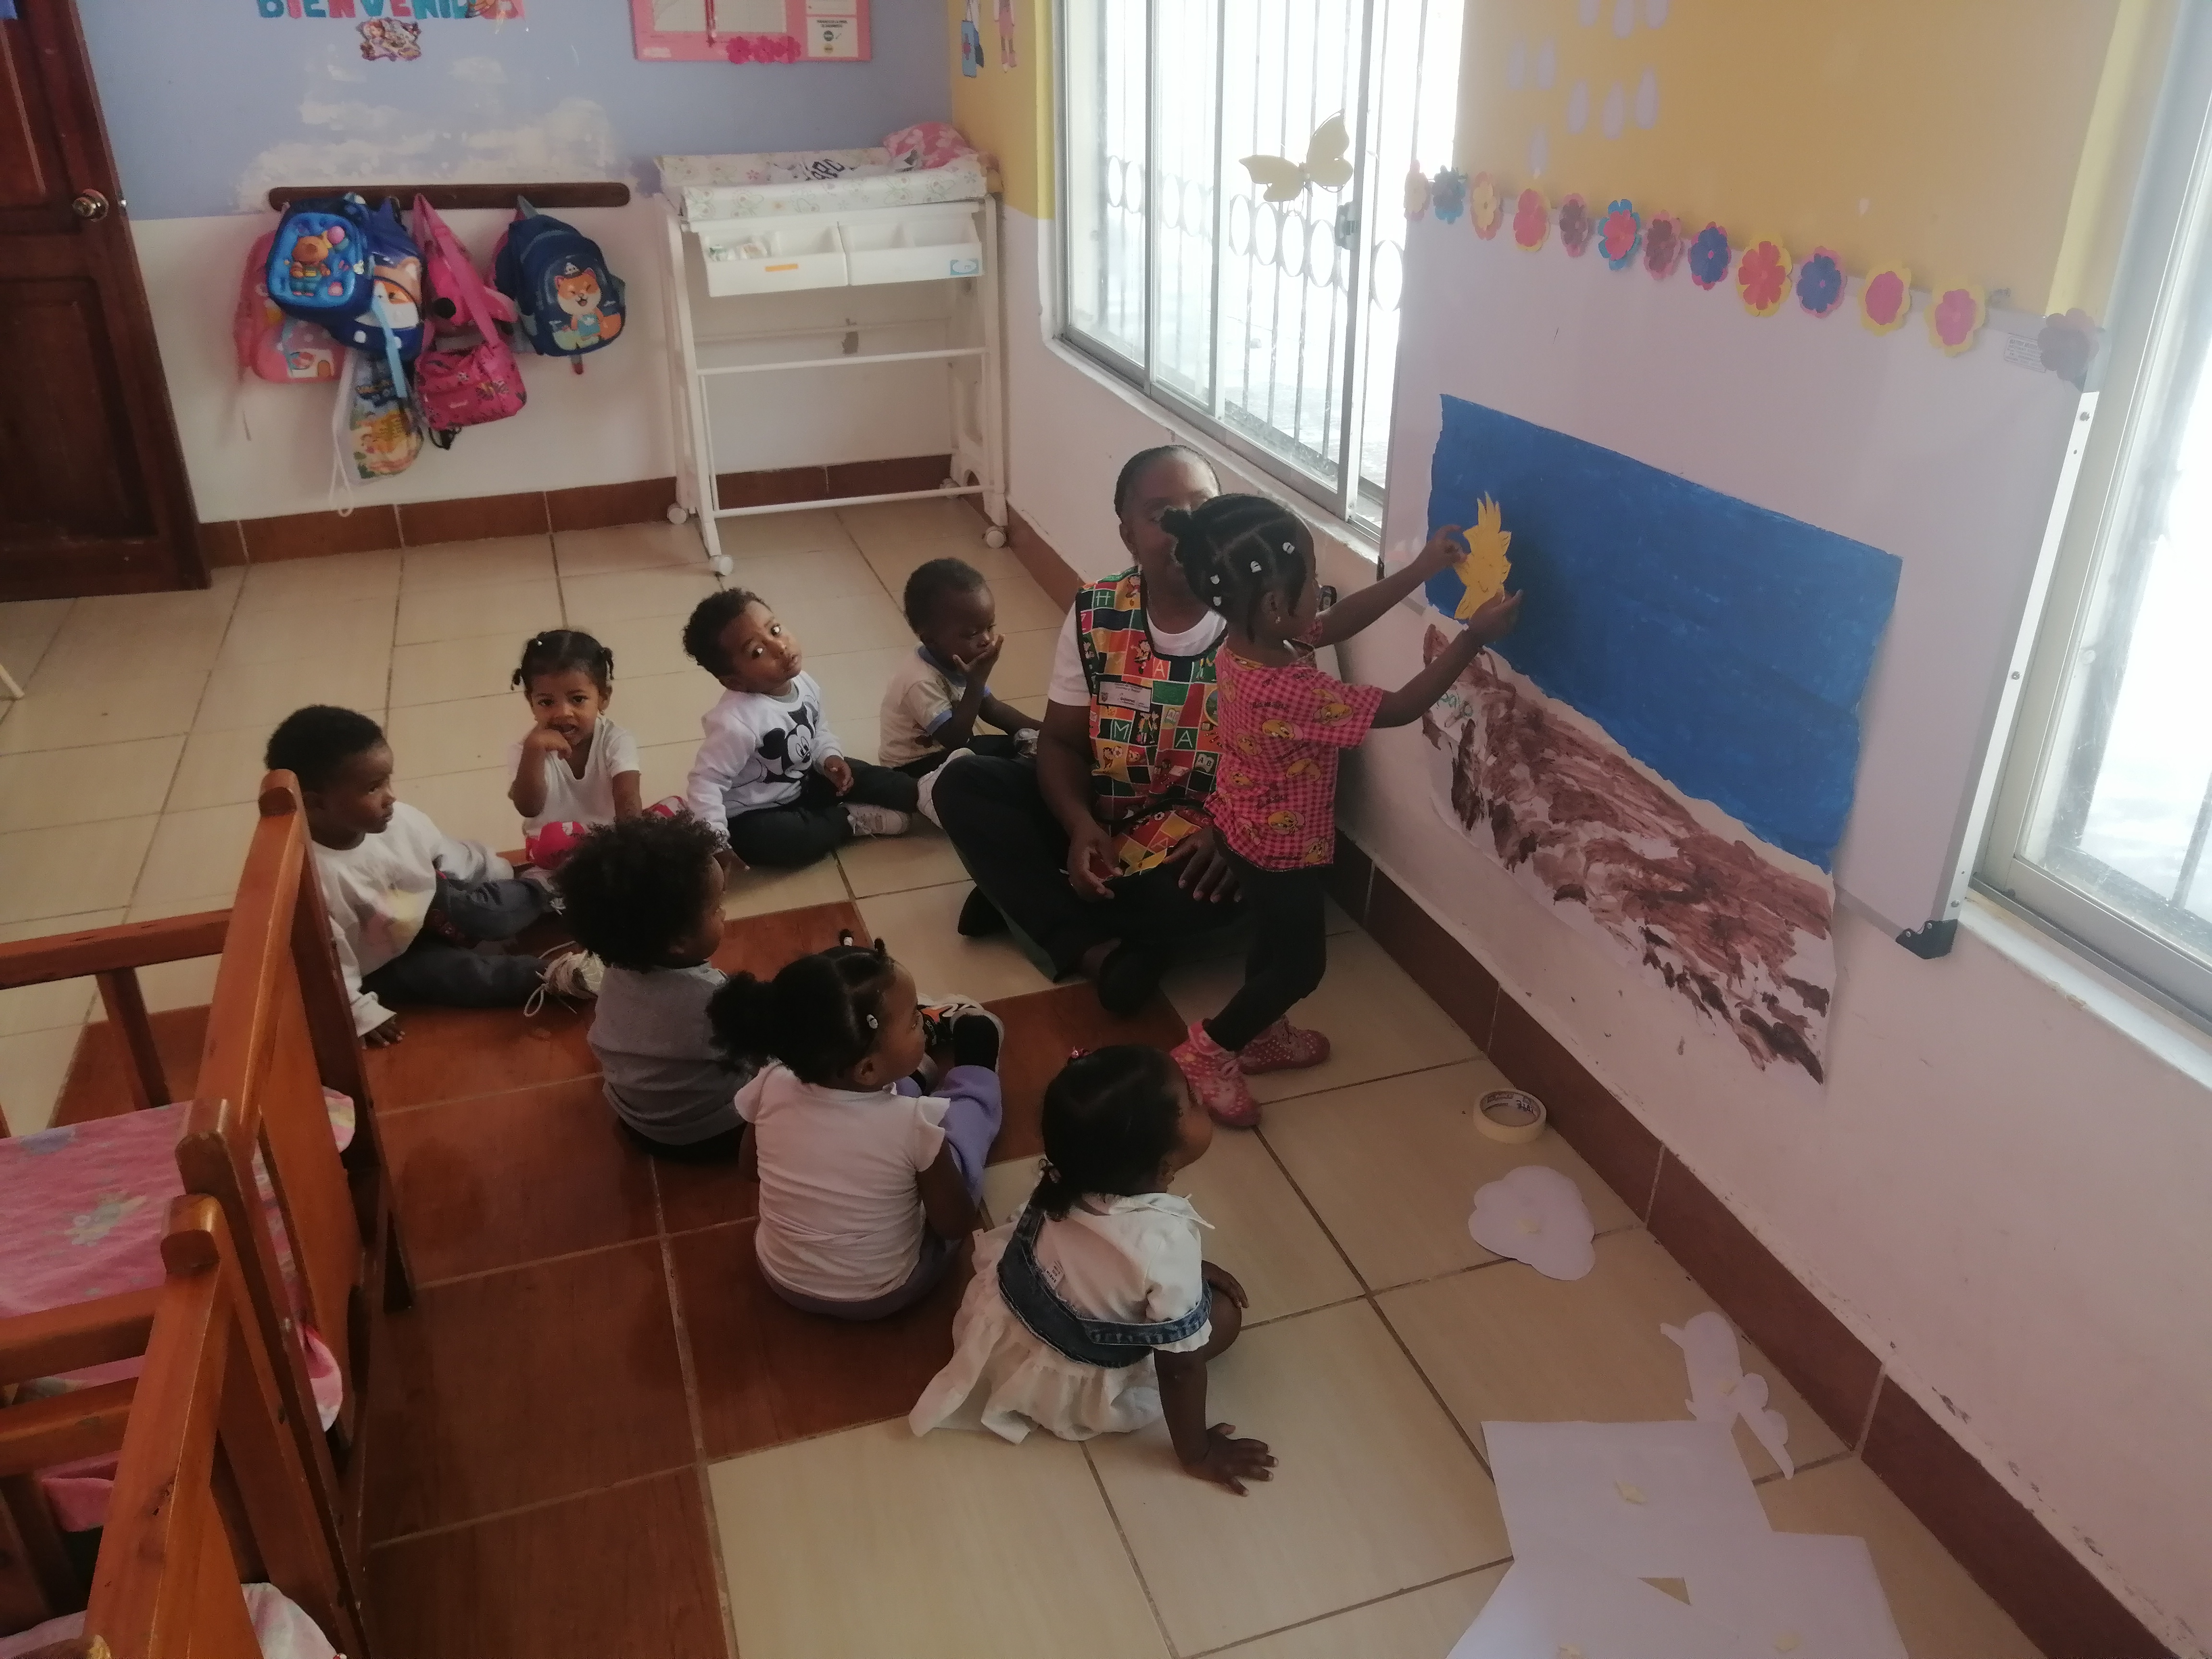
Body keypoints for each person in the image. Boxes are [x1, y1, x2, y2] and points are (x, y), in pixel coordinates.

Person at [1162, 496, 1522, 1125]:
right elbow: (1402, 707)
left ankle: (1261, 1034)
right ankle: (1209, 1051)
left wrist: (1421, 570)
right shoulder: (1291, 688)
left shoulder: (1249, 640)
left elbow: (1338, 622)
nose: (1320, 595)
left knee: (1274, 943)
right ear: (1275, 604)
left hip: (1240, 826)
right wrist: (1473, 637)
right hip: (1279, 852)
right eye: (1310, 579)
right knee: (1301, 966)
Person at [933, 445, 1244, 1015]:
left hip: (1208, 841)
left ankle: (1026, 903)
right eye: (1162, 516)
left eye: (1202, 508)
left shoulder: (1262, 619)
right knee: (961, 785)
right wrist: (1078, 824)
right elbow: (1060, 742)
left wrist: (1232, 834)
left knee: (1191, 896)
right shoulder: (1098, 611)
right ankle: (1093, 949)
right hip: (1109, 814)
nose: (1187, 529)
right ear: (1129, 536)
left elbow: (1302, 773)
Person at [909, 1045, 1274, 1493]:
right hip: (1072, 1384)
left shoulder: (1068, 1172)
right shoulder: (1164, 1241)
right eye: (1192, 1100)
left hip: (1008, 1337)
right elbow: (1179, 1369)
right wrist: (1197, 1452)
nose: (1199, 1095)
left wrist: (1187, 1274)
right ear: (1163, 1163)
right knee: (1224, 1317)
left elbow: (1106, 1258)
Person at [265, 705, 598, 1046]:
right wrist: (359, 1012)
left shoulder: (401, 820)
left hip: (425, 905)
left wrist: (498, 876)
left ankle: (551, 885)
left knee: (486, 912)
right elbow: (326, 965)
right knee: (455, 976)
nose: (391, 796)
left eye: (388, 780)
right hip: (387, 958)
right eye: (373, 788)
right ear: (315, 804)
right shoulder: (310, 879)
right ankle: (557, 977)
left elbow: (452, 857)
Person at [707, 940, 1003, 1320]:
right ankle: (977, 1071)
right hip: (885, 1291)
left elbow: (751, 1168)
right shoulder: (913, 1124)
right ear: (866, 1069)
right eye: (915, 1022)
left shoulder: (772, 1081)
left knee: (895, 1120)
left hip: (782, 1276)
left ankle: (911, 1076)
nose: (920, 1025)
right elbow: (954, 1223)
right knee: (957, 1143)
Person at [554, 812, 751, 1160]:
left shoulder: (617, 968)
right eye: (716, 907)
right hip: (711, 1134)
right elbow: (764, 1049)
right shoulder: (713, 998)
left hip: (635, 1120)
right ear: (678, 940)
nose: (723, 914)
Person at [681, 588, 919, 868]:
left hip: (803, 782)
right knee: (778, 841)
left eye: (775, 630)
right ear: (734, 682)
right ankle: (847, 820)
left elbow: (817, 730)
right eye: (757, 652)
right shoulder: (735, 723)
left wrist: (828, 756)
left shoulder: (804, 683)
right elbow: (706, 782)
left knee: (859, 772)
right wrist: (716, 840)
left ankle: (926, 792)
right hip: (756, 813)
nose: (780, 647)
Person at [877, 557, 1042, 817]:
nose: (986, 640)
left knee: (1017, 743)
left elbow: (992, 709)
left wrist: (1046, 733)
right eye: (972, 634)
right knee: (979, 772)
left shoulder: (954, 657)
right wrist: (976, 681)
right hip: (914, 768)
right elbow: (955, 738)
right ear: (931, 639)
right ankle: (929, 800)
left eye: (989, 627)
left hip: (951, 751)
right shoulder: (920, 680)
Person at [507, 628, 651, 872]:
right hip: (553, 851)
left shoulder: (616, 739)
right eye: (547, 702)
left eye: (577, 699)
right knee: (555, 841)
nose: (563, 712)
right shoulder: (526, 749)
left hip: (610, 843)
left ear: (603, 698)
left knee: (675, 810)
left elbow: (627, 797)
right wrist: (535, 751)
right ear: (532, 703)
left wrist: (633, 849)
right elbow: (528, 808)